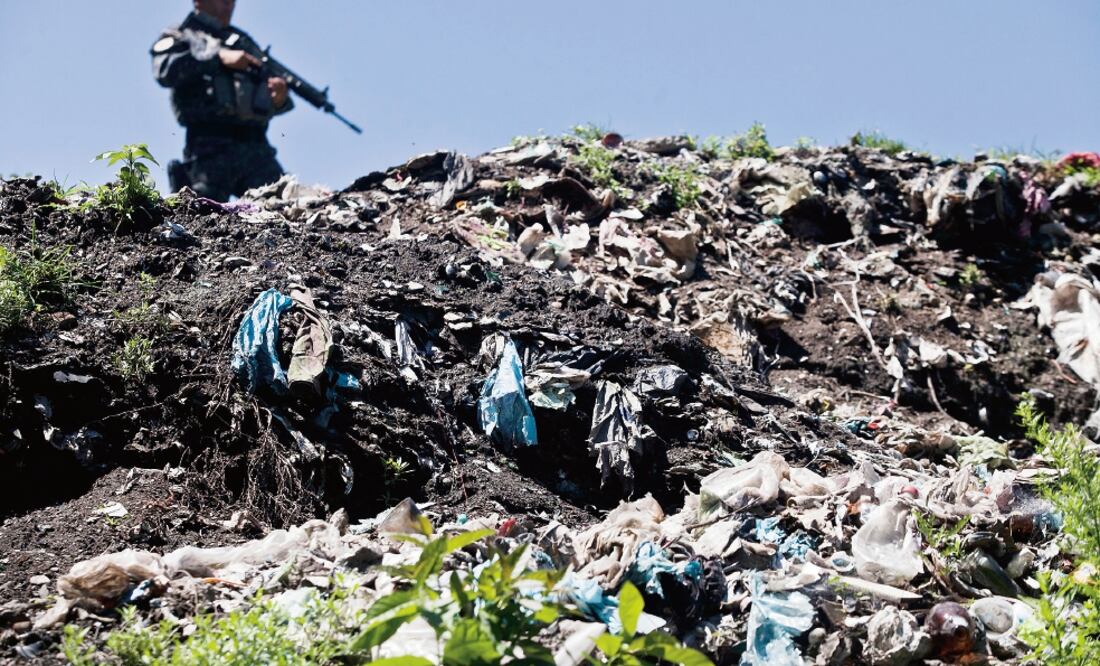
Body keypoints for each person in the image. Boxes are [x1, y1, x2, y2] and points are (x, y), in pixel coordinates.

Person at [151, 0, 292, 201]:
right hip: (208, 145)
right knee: (201, 210)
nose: (228, 4)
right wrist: (217, 59)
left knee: (284, 203)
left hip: (255, 146)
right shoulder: (181, 36)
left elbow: (268, 90)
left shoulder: (243, 42)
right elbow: (166, 71)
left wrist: (279, 98)